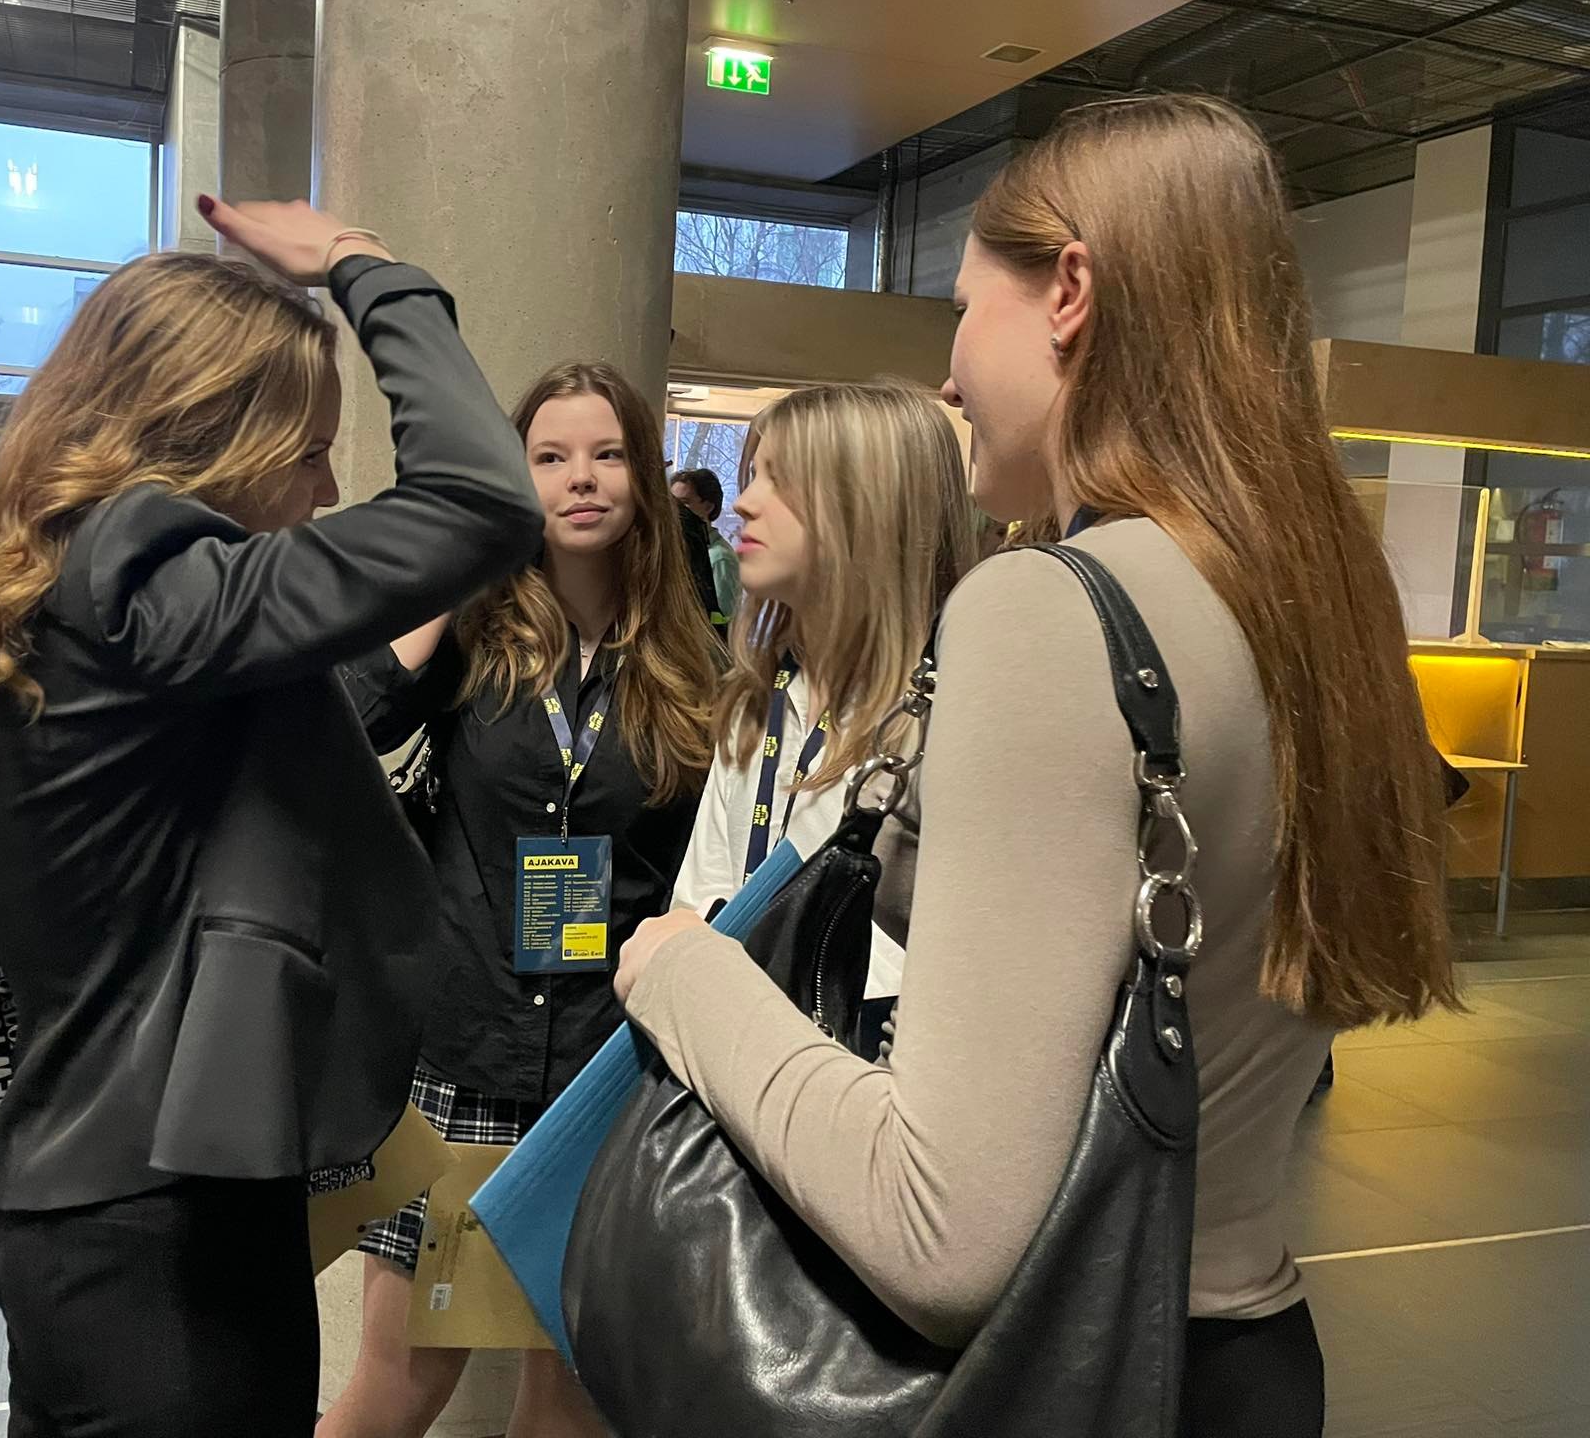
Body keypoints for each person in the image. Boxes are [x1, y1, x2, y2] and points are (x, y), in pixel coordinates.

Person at [613, 94, 1461, 1437]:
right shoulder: (1318, 608)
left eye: (963, 309)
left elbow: (942, 1231)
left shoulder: (1053, 612)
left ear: (1069, 291)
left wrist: (681, 973)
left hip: (1061, 1377)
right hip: (1242, 1359)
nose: (949, 379)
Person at [0, 199, 543, 1438]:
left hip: (96, 1204)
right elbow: (481, 500)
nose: (328, 490)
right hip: (155, 1240)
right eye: (309, 451)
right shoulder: (144, 588)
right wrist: (366, 269)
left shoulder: (77, 596)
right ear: (208, 436)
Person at [324, 361, 720, 1438]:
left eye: (607, 455)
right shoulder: (472, 640)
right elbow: (343, 725)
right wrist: (457, 570)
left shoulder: (690, 664)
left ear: (643, 479)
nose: (579, 478)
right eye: (549, 458)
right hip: (462, 1057)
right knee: (397, 1387)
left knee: (568, 1404)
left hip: (607, 1074)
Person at [668, 383, 974, 1036]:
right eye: (753, 475)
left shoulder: (951, 720)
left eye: (778, 481)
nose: (743, 502)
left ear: (870, 510)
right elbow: (698, 898)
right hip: (727, 1043)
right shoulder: (755, 698)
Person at [670, 466, 740, 625]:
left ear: (708, 507)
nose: (675, 510)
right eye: (672, 503)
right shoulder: (679, 552)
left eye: (684, 503)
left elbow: (724, 622)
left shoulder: (719, 558)